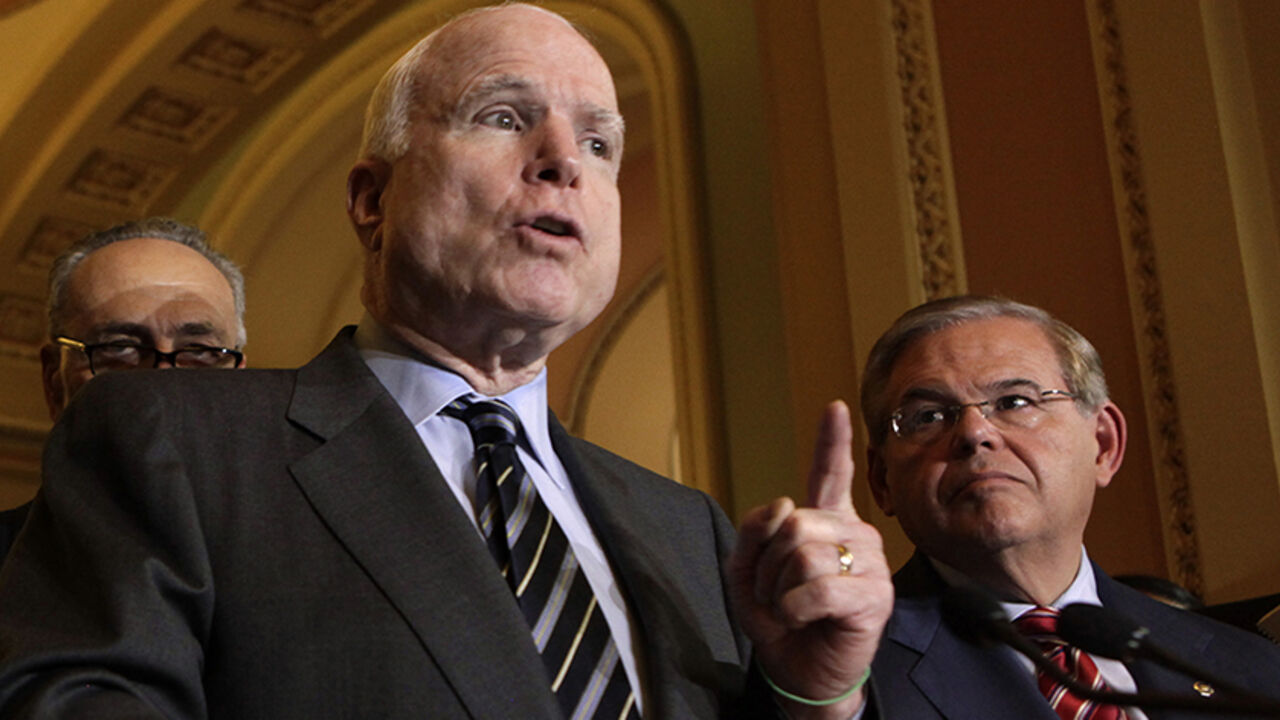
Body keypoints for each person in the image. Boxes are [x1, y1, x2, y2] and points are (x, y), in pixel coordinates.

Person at [0, 5, 889, 718]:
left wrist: (815, 695)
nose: (561, 164)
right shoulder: (173, 440)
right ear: (371, 198)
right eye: (503, 117)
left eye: (599, 143)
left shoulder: (687, 529)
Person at [860, 295, 1280, 719]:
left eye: (1014, 402)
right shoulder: (835, 682)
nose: (974, 433)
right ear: (882, 480)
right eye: (928, 416)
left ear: (1103, 444)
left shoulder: (1248, 669)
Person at [0, 217, 246, 560]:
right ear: (54, 383)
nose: (161, 381)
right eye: (119, 348)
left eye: (199, 352)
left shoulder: (302, 567)